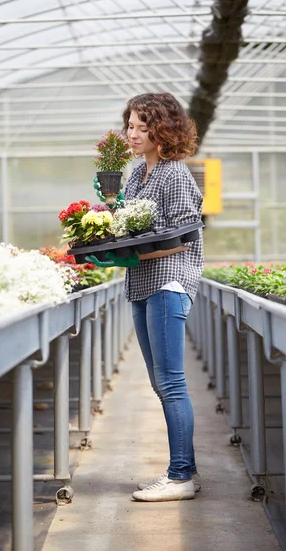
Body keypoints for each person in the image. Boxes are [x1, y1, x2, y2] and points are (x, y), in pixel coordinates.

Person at [90, 92, 204, 502]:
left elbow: (183, 239)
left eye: (141, 126)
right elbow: (131, 227)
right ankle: (182, 472)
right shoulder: (137, 174)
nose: (131, 134)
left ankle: (180, 478)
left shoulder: (175, 174)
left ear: (163, 129)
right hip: (140, 283)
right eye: (130, 125)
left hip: (169, 282)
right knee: (160, 382)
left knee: (171, 382)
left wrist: (129, 251)